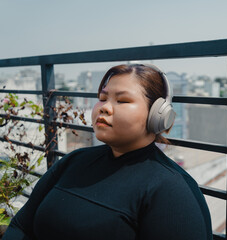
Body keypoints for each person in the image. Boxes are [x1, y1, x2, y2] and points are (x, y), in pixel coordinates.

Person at [3, 64, 213, 240]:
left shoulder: (173, 192)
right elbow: (21, 226)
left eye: (122, 101)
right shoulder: (73, 161)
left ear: (158, 115)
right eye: (103, 98)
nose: (104, 107)